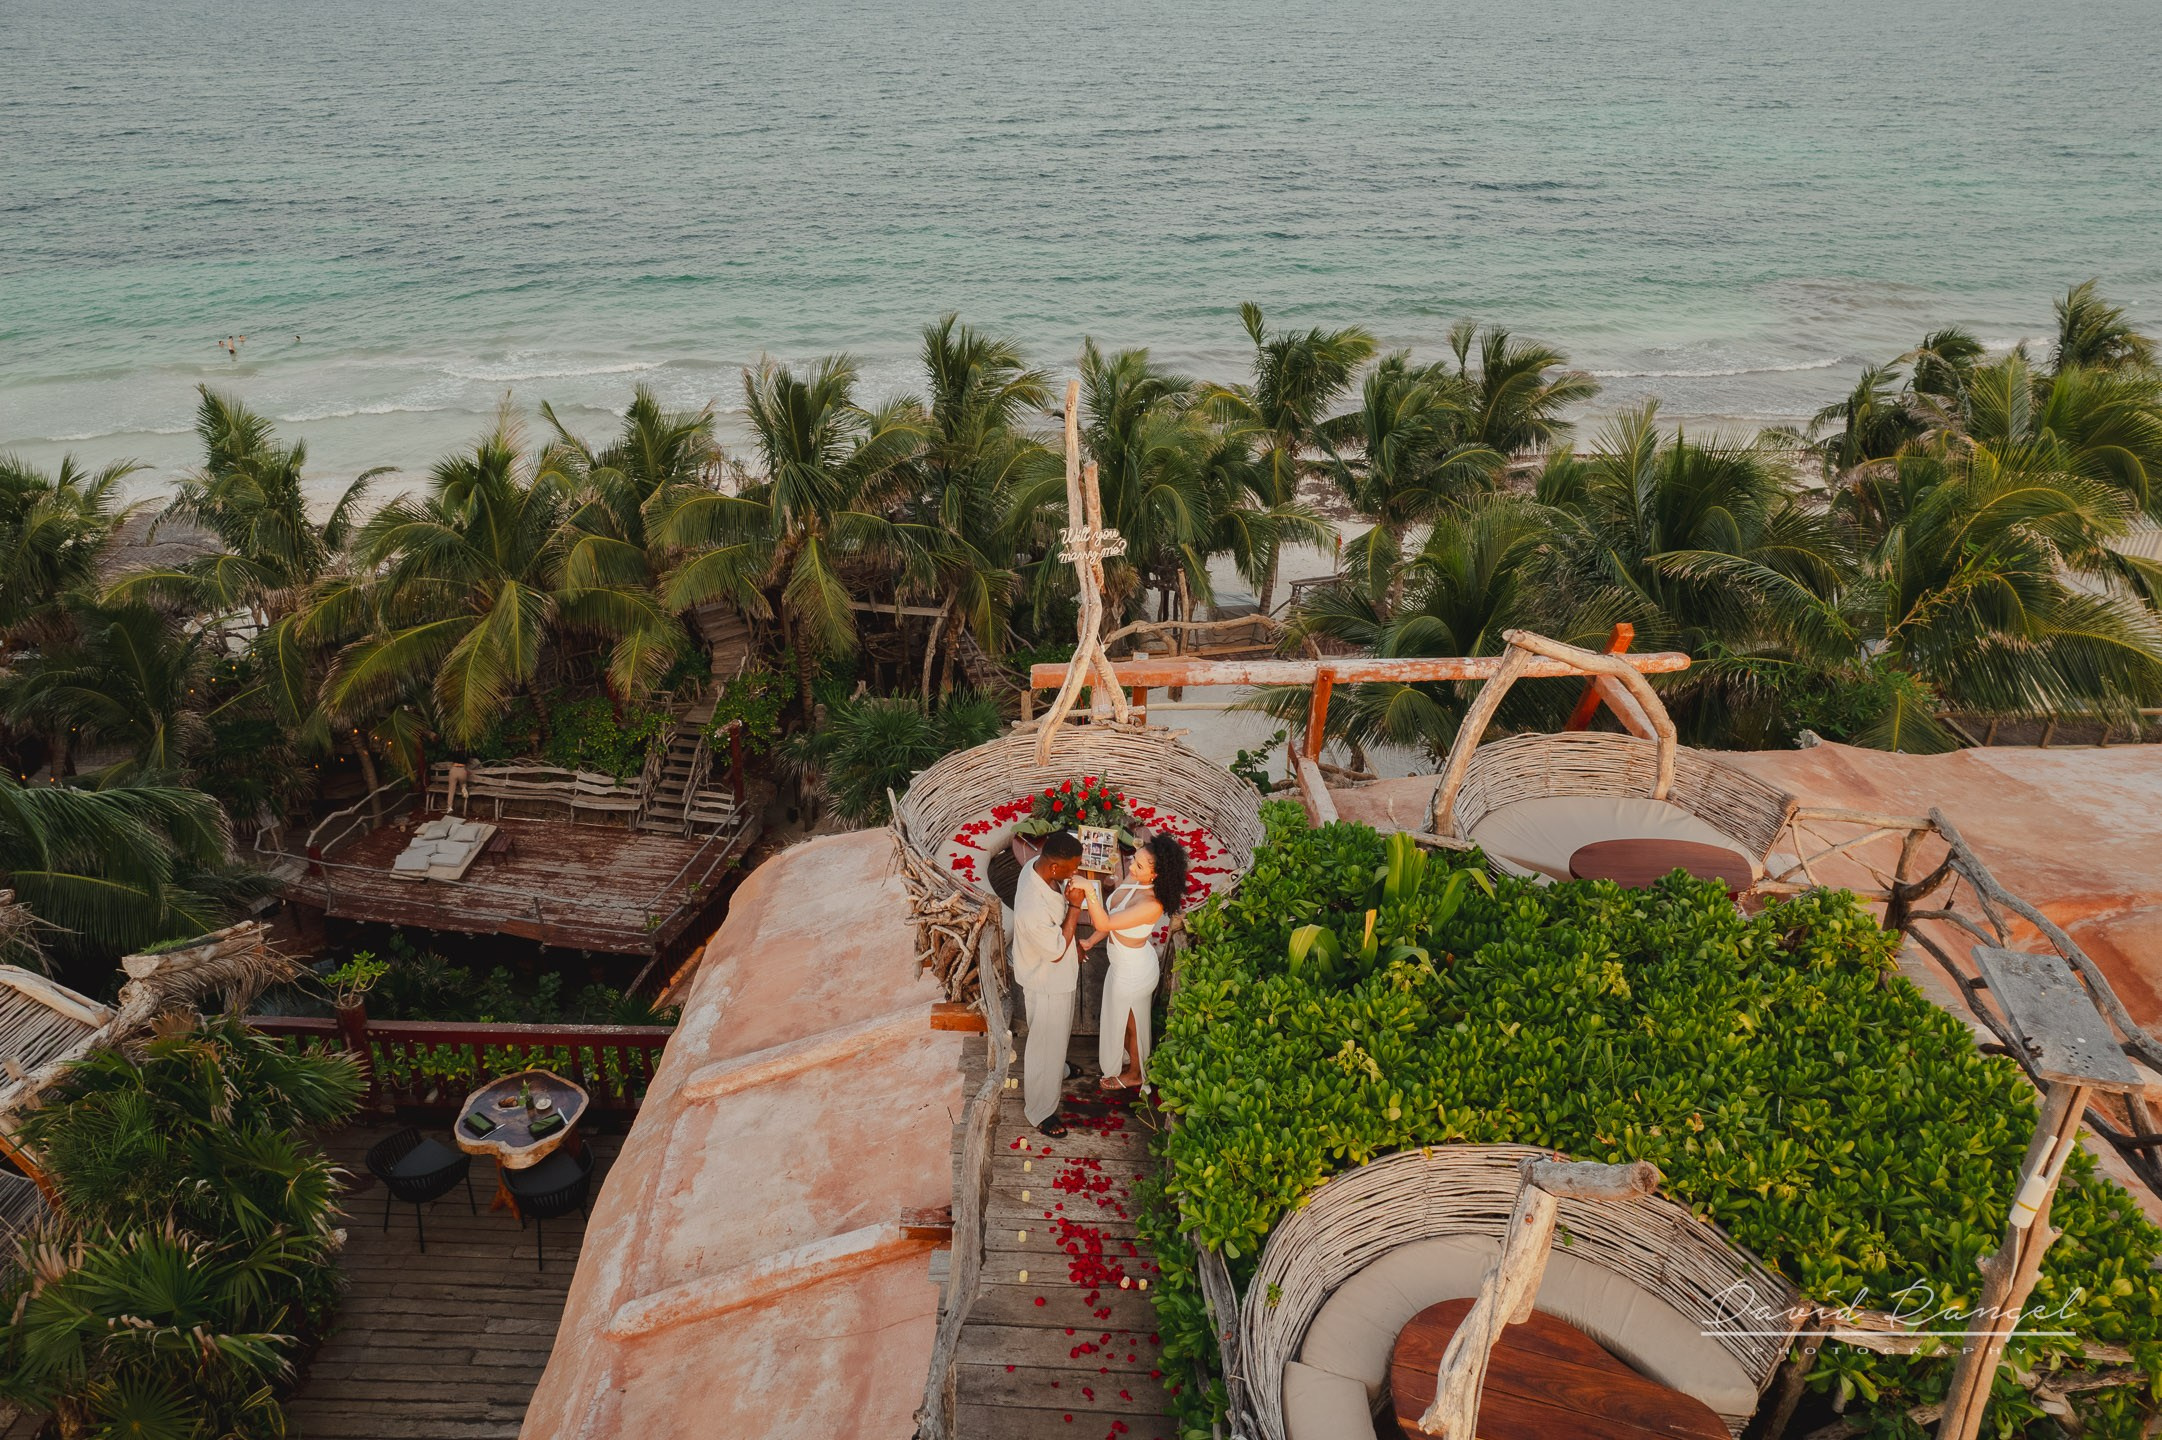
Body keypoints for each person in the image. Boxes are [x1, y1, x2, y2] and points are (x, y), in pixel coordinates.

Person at [1078, 832, 1187, 1093]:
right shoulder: (1136, 877)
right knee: (1125, 1019)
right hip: (1122, 966)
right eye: (1134, 860)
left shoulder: (1152, 905)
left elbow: (1104, 921)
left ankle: (1136, 1074)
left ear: (1156, 875)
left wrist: (1086, 888)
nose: (1131, 867)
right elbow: (1114, 918)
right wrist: (1092, 941)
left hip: (1134, 973)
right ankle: (1129, 1060)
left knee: (1133, 1023)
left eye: (1139, 865)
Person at [1011, 830, 1088, 1137]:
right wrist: (1075, 907)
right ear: (1055, 867)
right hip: (1046, 982)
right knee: (1043, 1045)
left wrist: (1074, 944)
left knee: (1055, 1038)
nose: (1076, 872)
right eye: (1073, 867)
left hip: (1053, 974)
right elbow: (1056, 951)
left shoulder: (1037, 867)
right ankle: (1039, 1110)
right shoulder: (1032, 907)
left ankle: (1059, 1069)